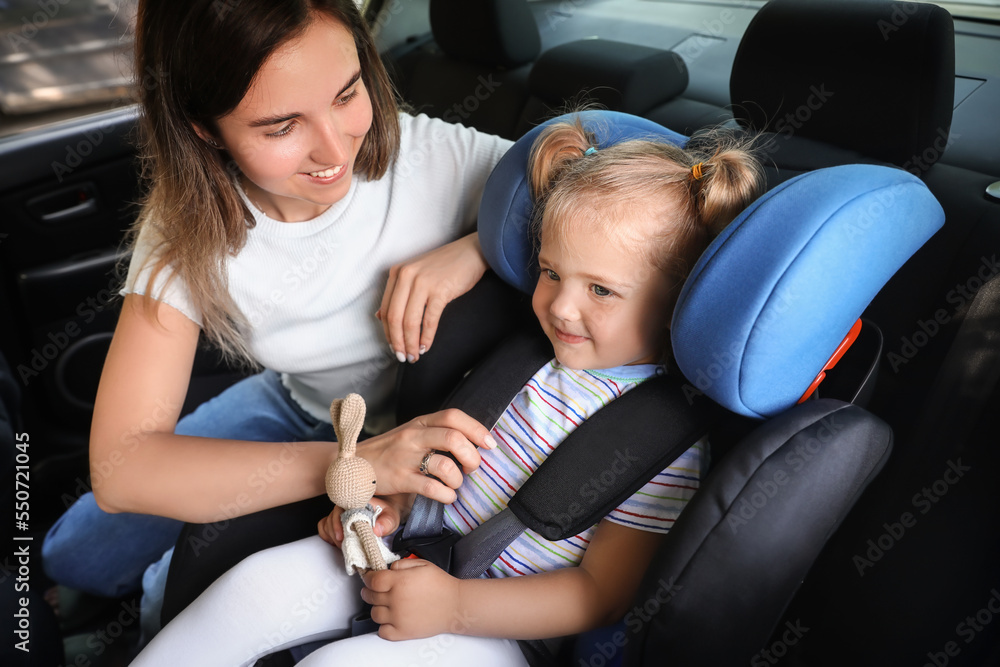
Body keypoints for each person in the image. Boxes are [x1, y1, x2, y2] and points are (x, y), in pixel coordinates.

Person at [130, 115, 764, 665]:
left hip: (499, 630)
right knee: (253, 589)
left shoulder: (662, 445)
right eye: (549, 272)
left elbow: (599, 594)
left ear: (682, 298)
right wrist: (393, 510)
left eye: (601, 290)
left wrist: (457, 606)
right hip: (404, 556)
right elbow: (442, 472)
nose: (561, 308)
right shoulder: (522, 360)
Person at [41, 0, 511, 646]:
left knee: (170, 591)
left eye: (348, 93)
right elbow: (123, 465)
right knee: (72, 554)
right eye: (281, 125)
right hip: (301, 405)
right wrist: (350, 463)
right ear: (206, 129)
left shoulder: (434, 159)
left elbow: (628, 166)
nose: (334, 148)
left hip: (404, 428)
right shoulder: (187, 233)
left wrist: (484, 244)